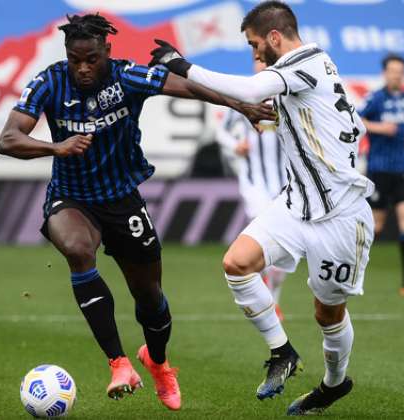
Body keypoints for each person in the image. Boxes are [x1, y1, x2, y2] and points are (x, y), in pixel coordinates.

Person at [0, 13, 273, 411]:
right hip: (71, 197)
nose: (82, 68)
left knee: (149, 297)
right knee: (78, 251)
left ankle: (158, 364)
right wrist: (55, 147)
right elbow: (9, 139)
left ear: (106, 51)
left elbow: (189, 88)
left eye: (91, 58)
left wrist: (241, 105)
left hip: (122, 198)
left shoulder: (127, 77)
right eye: (75, 59)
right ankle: (119, 363)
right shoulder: (49, 81)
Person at [150, 1, 374, 415]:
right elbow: (297, 117)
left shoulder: (307, 60)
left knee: (328, 313)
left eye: (256, 46)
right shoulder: (304, 71)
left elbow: (252, 89)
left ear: (275, 37)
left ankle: (333, 384)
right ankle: (282, 352)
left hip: (341, 215)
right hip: (295, 201)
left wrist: (182, 65)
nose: (255, 55)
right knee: (237, 263)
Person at [215, 59, 288, 320]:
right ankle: (267, 300)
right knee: (263, 239)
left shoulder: (286, 94)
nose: (262, 64)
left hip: (285, 184)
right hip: (254, 182)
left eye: (265, 60)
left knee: (280, 251)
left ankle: (273, 300)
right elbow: (221, 132)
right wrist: (236, 145)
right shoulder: (245, 95)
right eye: (258, 61)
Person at [359, 53, 404, 296]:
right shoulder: (375, 98)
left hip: (402, 169)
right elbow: (354, 120)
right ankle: (350, 269)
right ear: (385, 73)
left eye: (400, 71)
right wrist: (379, 127)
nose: (396, 75)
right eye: (392, 71)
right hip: (378, 170)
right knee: (375, 227)